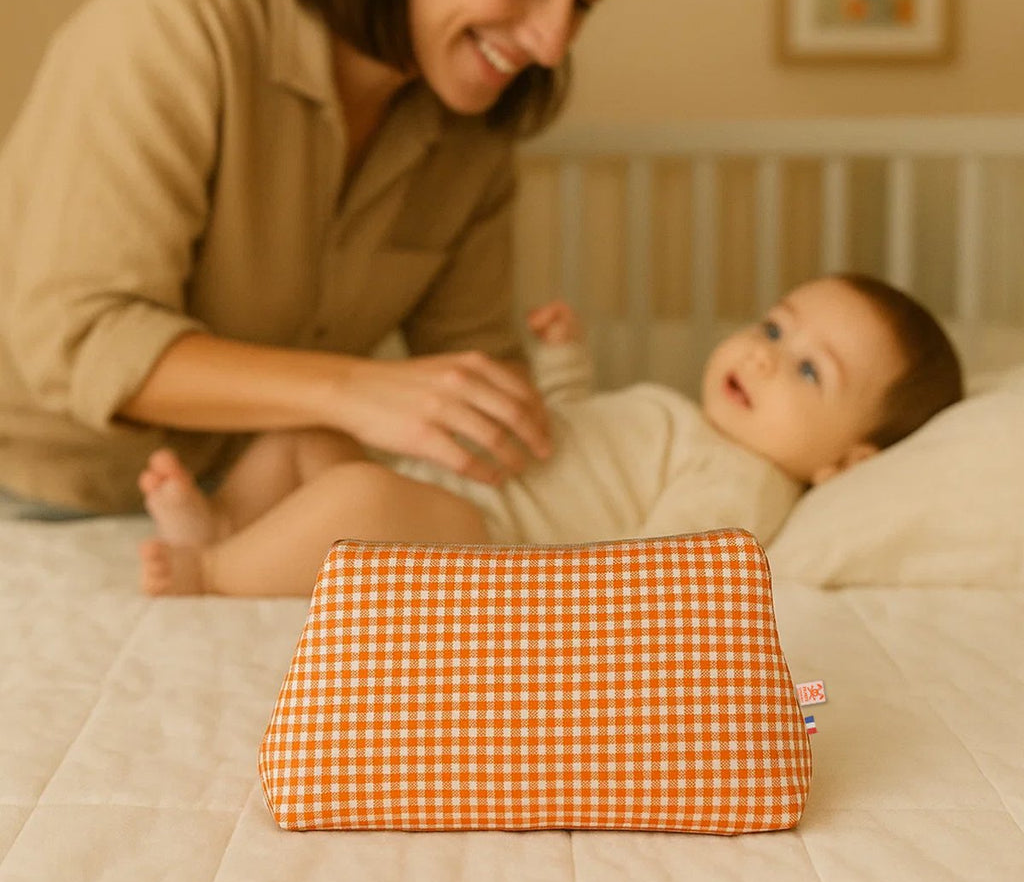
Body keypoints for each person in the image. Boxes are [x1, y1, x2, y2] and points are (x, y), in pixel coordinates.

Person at [0, 0, 647, 519]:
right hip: (37, 485)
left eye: (586, 1)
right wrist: (352, 391)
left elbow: (472, 369)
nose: (552, 43)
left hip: (238, 497)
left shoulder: (471, 142)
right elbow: (86, 338)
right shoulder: (178, 28)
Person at [138, 272, 964, 596]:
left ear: (844, 463)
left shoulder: (746, 484)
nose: (764, 356)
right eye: (775, 329)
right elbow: (580, 436)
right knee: (307, 437)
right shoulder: (689, 421)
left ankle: (212, 573)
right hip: (469, 485)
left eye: (810, 372)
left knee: (356, 495)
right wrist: (564, 363)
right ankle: (228, 519)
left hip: (492, 540)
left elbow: (663, 568)